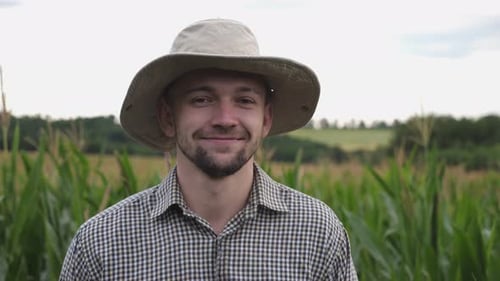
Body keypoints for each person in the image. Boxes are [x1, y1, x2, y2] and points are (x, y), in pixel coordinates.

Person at [59, 18, 358, 280]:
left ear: (265, 118)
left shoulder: (318, 232)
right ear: (168, 117)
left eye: (244, 100)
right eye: (201, 99)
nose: (225, 120)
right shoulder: (101, 244)